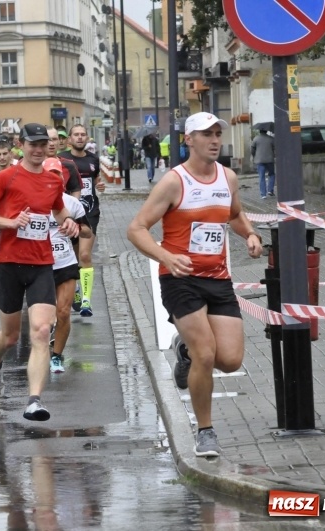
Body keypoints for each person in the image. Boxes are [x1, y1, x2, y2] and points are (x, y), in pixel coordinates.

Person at [126, 111, 263, 457]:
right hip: (180, 279)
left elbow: (234, 214)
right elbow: (136, 228)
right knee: (206, 353)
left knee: (229, 360)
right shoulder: (174, 182)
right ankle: (205, 431)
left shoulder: (228, 178)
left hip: (218, 278)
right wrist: (166, 257)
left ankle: (183, 349)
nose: (214, 141)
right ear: (189, 140)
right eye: (206, 134)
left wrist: (250, 234)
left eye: (217, 134)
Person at [0, 122, 80, 421]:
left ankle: (34, 400)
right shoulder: (4, 177)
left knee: (42, 330)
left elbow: (59, 210)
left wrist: (68, 222)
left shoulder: (52, 181)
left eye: (43, 144)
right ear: (21, 146)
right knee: (9, 337)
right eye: (33, 144)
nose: (38, 149)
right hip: (10, 263)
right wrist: (10, 223)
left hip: (42, 264)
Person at [42, 157, 91, 374]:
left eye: (58, 175)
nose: (54, 179)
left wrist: (75, 229)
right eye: (50, 175)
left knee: (63, 312)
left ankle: (56, 356)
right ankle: (42, 348)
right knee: (45, 317)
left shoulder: (71, 203)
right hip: (40, 265)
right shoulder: (31, 201)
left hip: (65, 262)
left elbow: (88, 232)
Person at [59, 124, 105, 317]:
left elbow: (95, 180)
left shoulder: (93, 159)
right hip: (67, 214)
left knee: (85, 255)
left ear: (87, 138)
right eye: (76, 134)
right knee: (73, 257)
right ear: (69, 139)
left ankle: (86, 300)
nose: (79, 137)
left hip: (90, 212)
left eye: (83, 134)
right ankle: (76, 290)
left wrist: (99, 185)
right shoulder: (62, 159)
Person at [251, 128, 276, 199]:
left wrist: (254, 156)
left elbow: (252, 149)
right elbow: (275, 148)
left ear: (259, 131)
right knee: (272, 174)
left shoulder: (256, 139)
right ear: (266, 131)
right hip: (269, 160)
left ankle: (263, 194)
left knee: (261, 177)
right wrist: (273, 155)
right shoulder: (271, 139)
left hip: (259, 160)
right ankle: (270, 190)